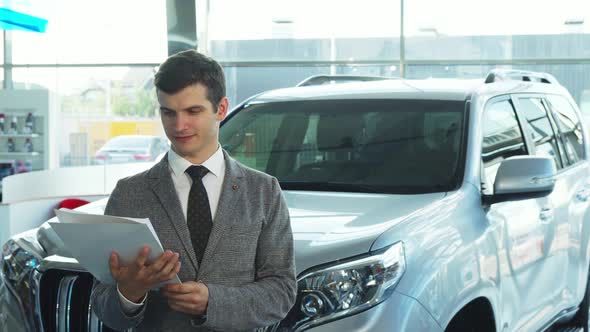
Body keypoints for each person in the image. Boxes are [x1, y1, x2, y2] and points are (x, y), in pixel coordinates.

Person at [91, 50, 297, 331]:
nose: (179, 125)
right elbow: (103, 306)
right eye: (168, 112)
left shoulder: (263, 191)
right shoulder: (129, 194)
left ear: (221, 109)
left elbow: (282, 291)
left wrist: (213, 301)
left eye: (193, 111)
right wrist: (129, 294)